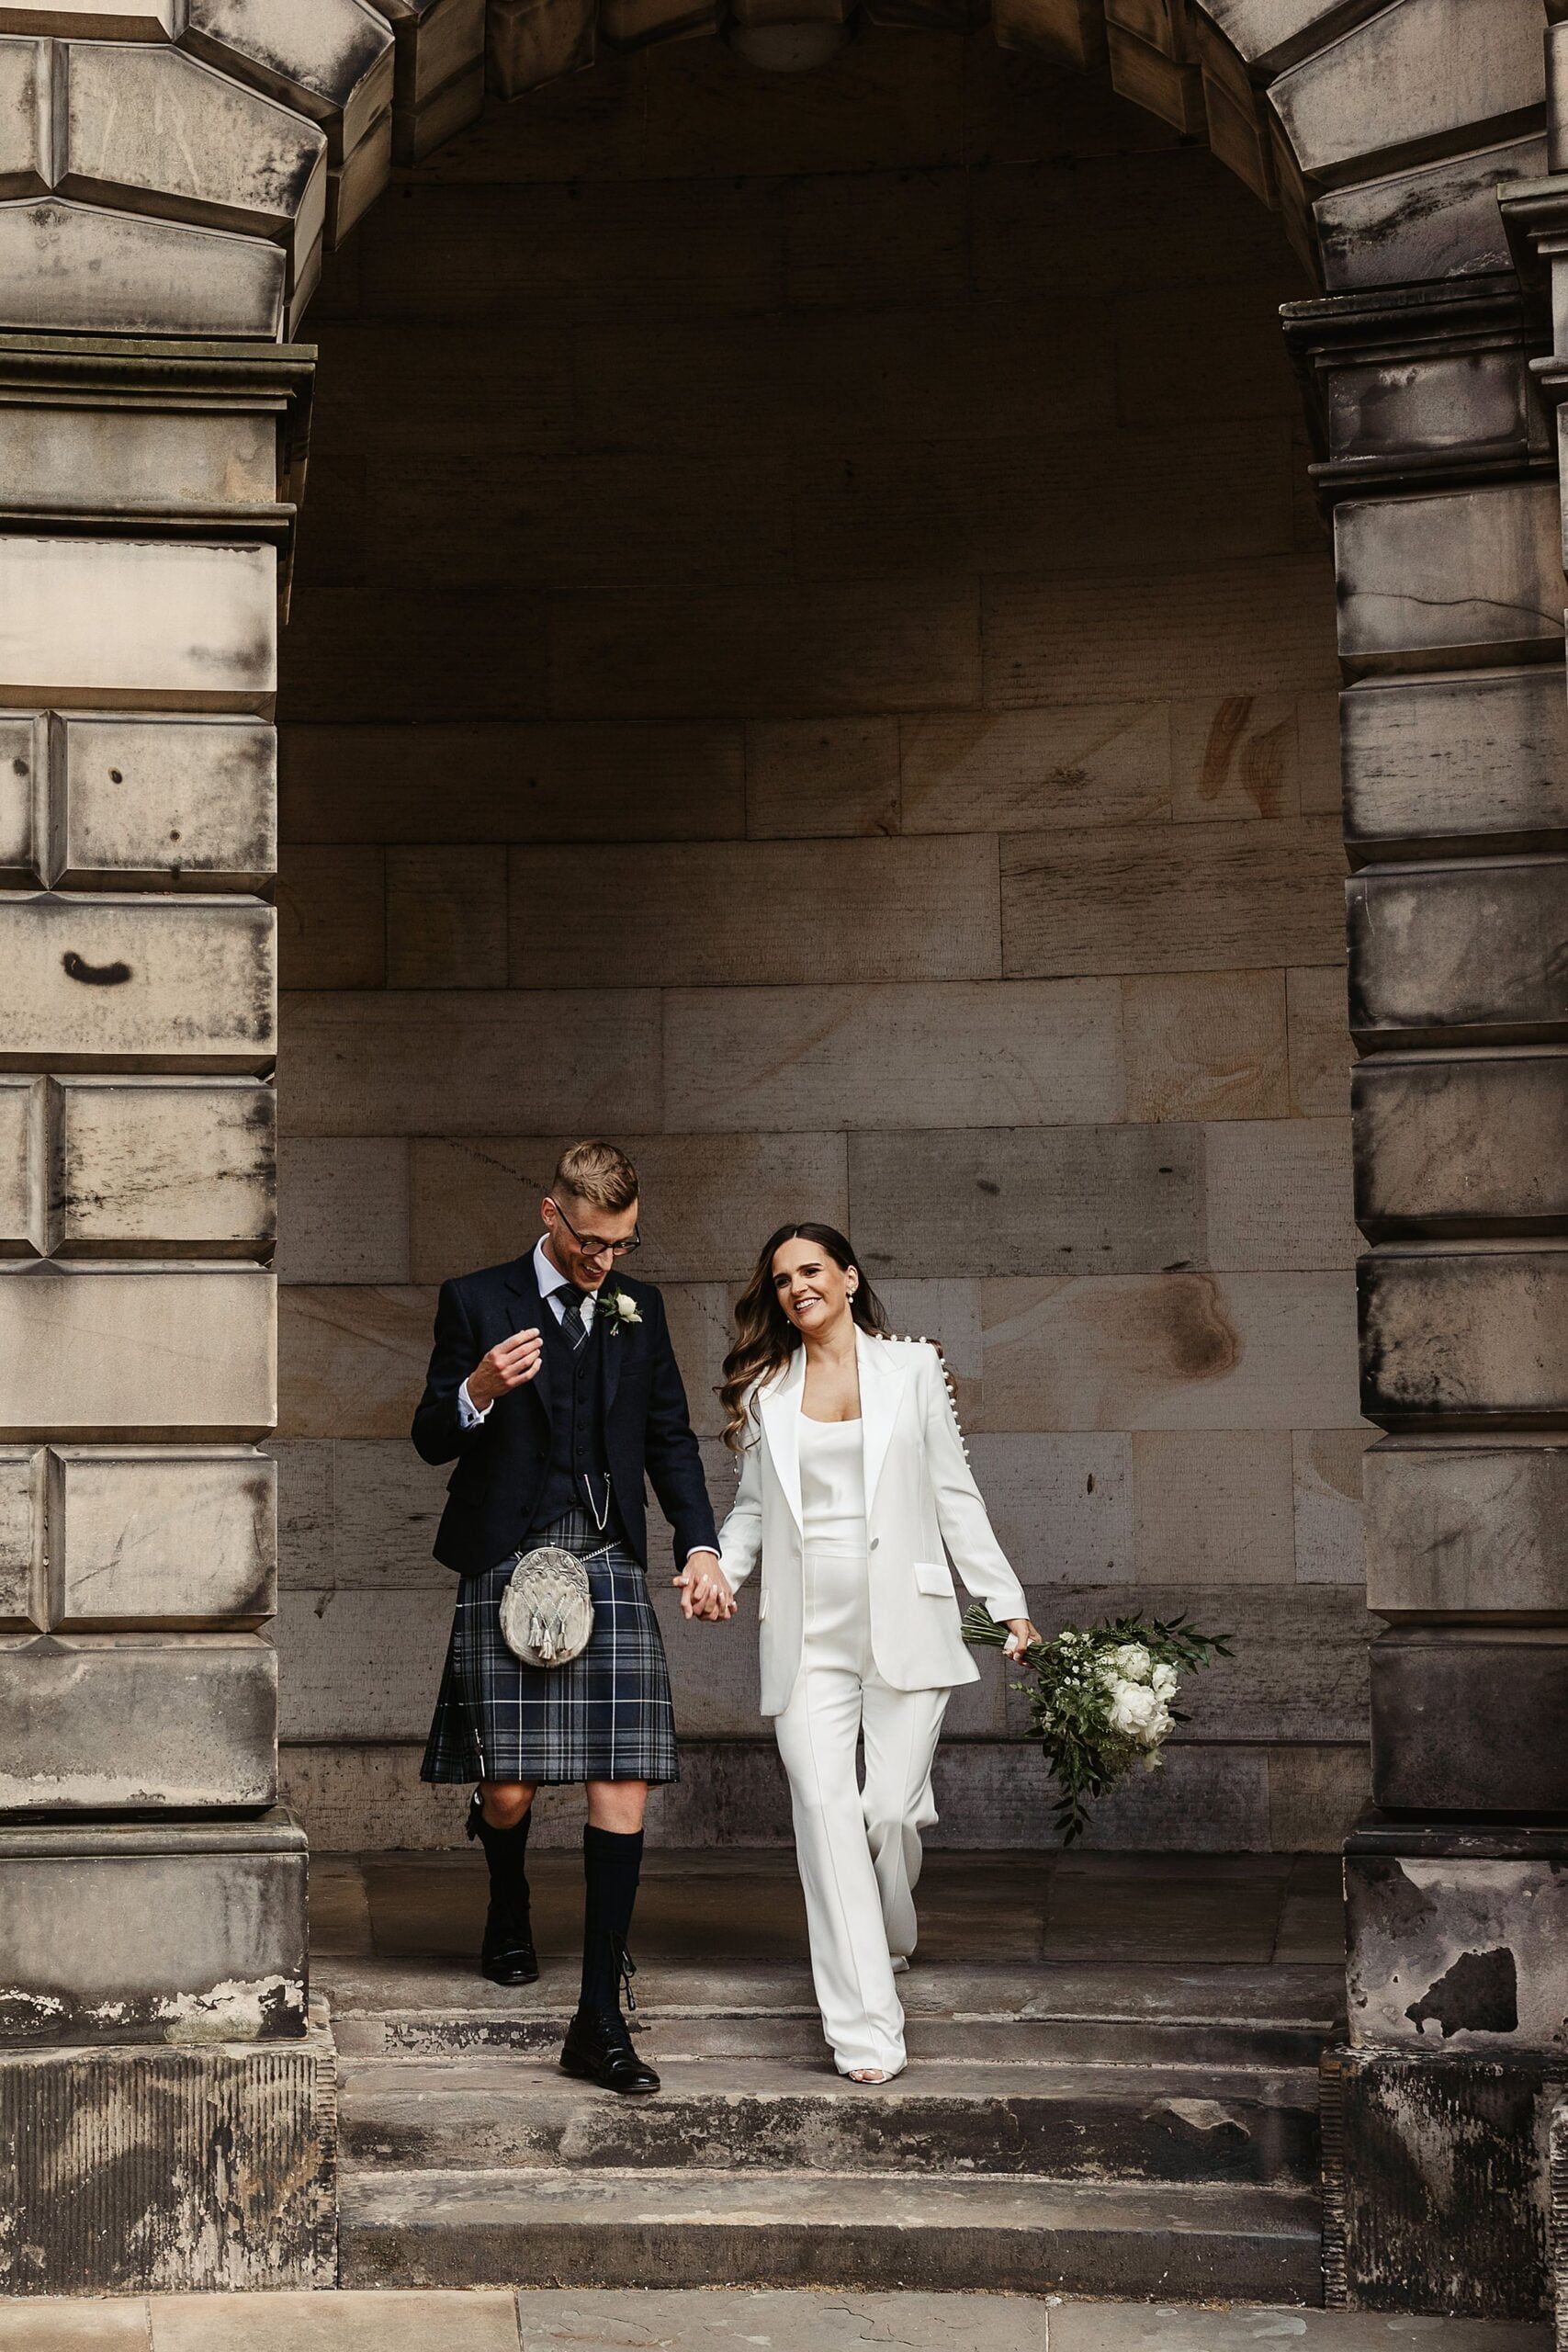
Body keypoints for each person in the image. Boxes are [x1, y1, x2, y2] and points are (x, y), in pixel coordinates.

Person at [412, 1139, 727, 2097]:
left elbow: (669, 1436)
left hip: (610, 1557)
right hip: (508, 1553)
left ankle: (598, 2018)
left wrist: (700, 1543)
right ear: (552, 1212)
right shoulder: (477, 1300)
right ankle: (507, 1887)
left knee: (621, 1781)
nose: (605, 1262)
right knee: (509, 1791)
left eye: (622, 1245)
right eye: (591, 1242)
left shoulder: (642, 1308)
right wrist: (480, 1390)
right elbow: (429, 1435)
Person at [695, 1222, 1040, 2085]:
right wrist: (721, 1568)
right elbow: (748, 1511)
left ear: (847, 1277)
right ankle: (864, 2031)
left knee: (885, 1810)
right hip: (807, 1632)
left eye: (810, 1270)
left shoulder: (913, 1368)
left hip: (907, 1619)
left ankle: (888, 1931)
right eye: (780, 1280)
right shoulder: (767, 1389)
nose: (795, 1288)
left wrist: (1005, 1607)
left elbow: (954, 1495)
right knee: (823, 1817)